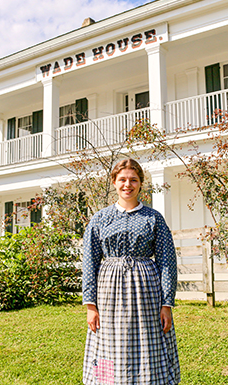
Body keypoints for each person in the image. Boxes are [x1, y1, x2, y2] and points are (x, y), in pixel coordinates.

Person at [82, 158, 180, 384]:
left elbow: (167, 261)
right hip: (108, 294)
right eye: (122, 179)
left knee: (148, 339)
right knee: (107, 341)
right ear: (114, 182)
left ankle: (149, 380)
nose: (128, 184)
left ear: (140, 184)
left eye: (133, 180)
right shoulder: (100, 219)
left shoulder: (153, 218)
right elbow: (90, 262)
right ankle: (105, 381)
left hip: (147, 292)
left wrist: (167, 304)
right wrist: (90, 305)